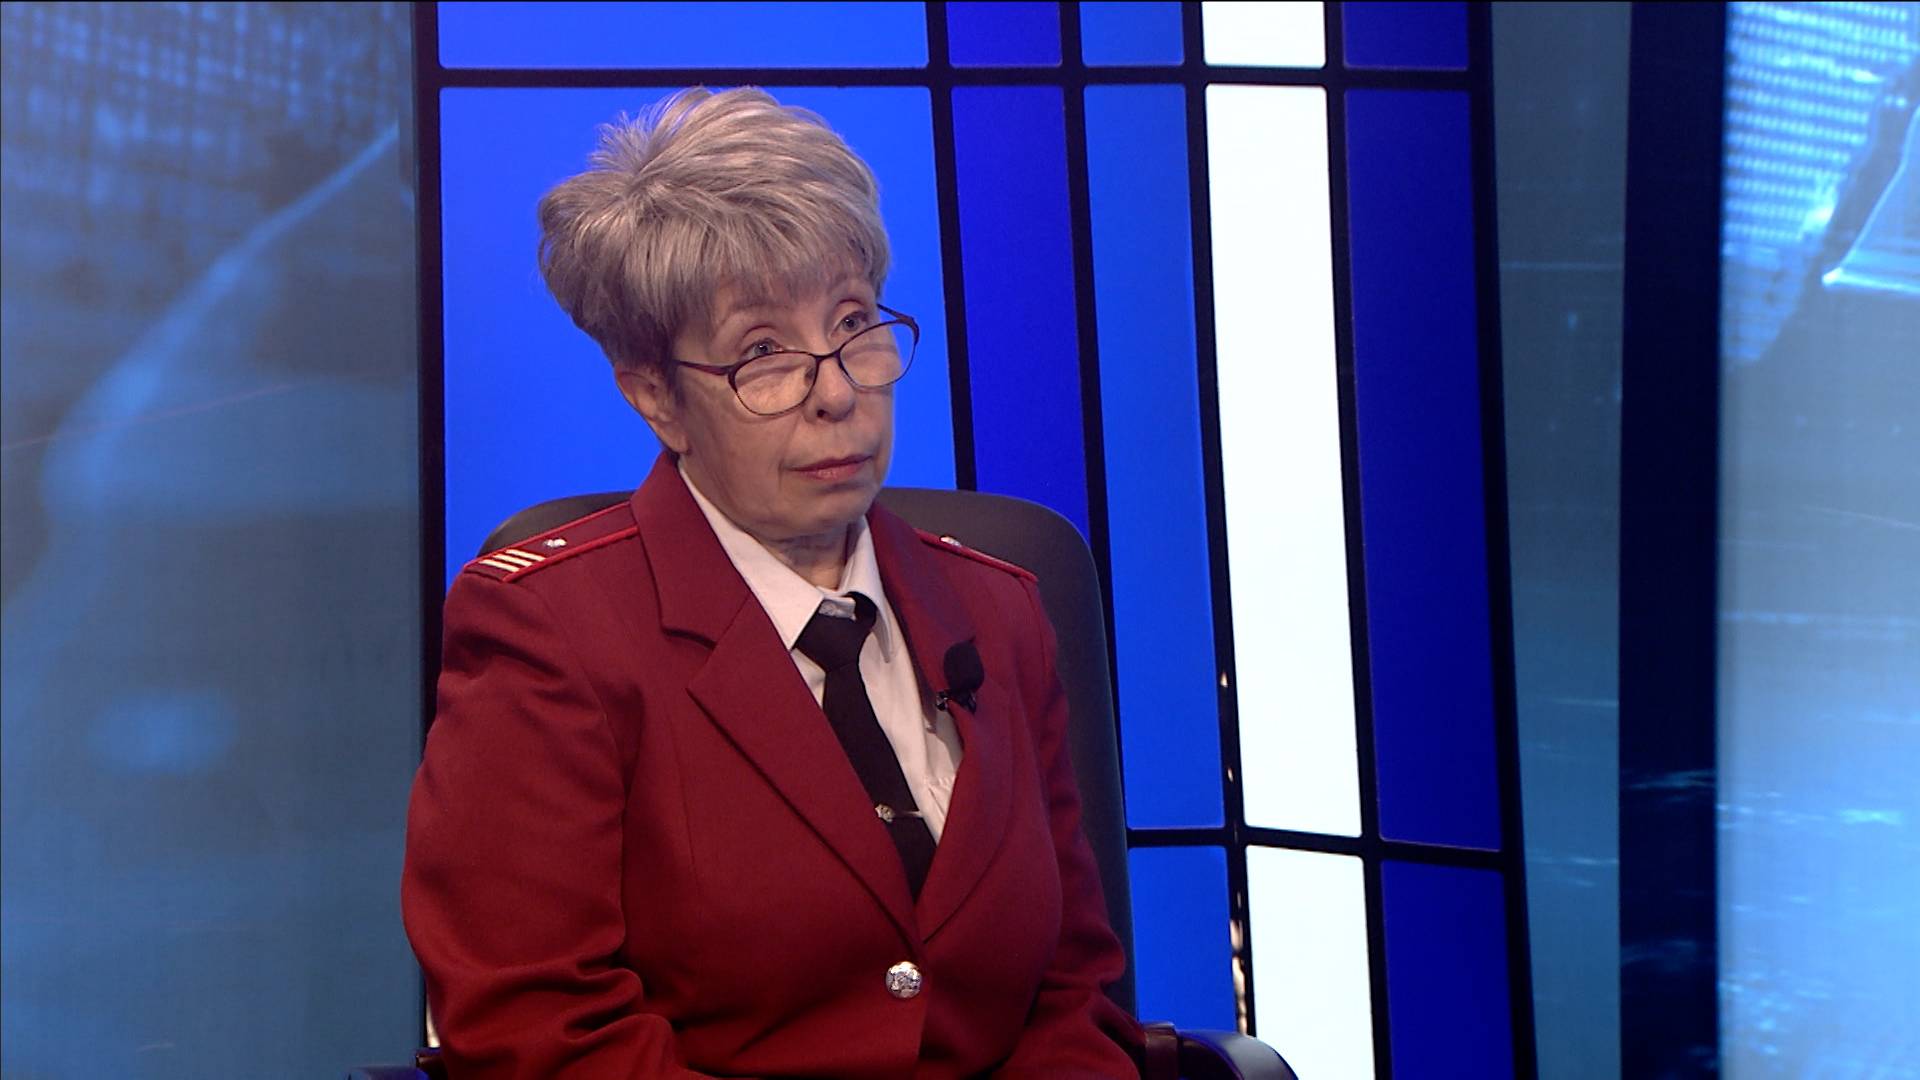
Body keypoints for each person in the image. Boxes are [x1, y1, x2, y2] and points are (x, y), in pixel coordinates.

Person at [401, 86, 1143, 1078]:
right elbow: (543, 1034)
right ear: (656, 394)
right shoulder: (550, 632)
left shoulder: (1001, 609)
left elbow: (1072, 995)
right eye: (763, 352)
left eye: (854, 322)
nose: (836, 390)